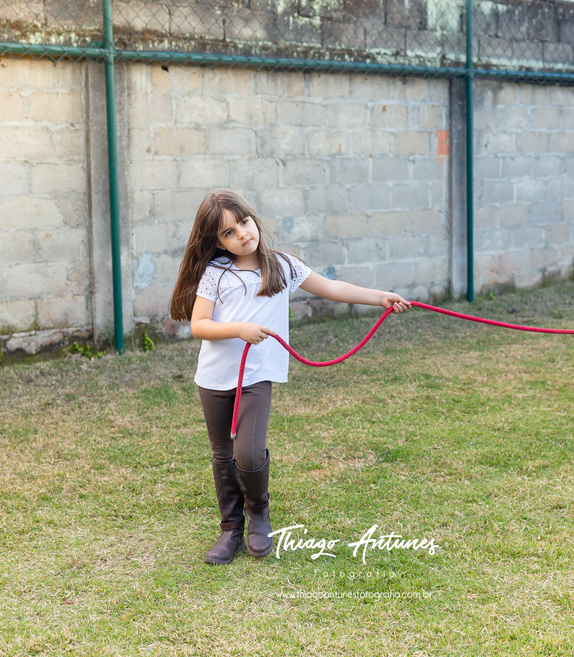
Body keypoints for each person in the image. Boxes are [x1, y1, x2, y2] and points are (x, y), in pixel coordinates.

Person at [169, 189, 410, 564]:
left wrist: (379, 296)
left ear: (254, 219)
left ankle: (259, 516)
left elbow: (331, 288)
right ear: (216, 242)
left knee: (247, 453)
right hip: (215, 379)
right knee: (222, 454)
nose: (242, 235)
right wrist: (238, 328)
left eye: (244, 223)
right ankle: (231, 529)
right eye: (228, 233)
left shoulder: (282, 265)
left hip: (257, 375)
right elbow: (199, 325)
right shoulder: (215, 274)